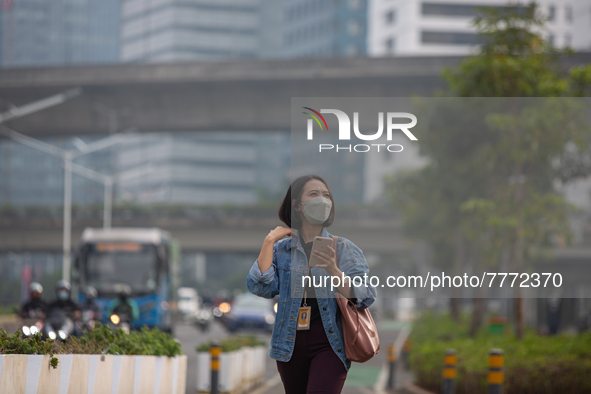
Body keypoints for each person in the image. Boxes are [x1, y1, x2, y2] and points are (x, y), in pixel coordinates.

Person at [246, 175, 377, 394]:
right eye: (314, 194)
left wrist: (334, 271)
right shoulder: (281, 250)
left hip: (329, 341)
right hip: (289, 343)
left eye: (326, 195)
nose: (322, 200)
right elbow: (260, 286)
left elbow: (365, 295)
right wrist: (269, 242)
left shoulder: (344, 248)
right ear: (297, 205)